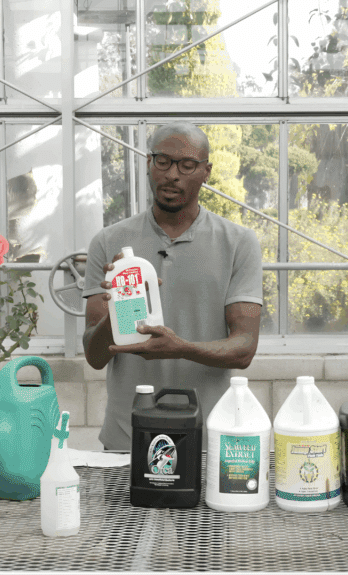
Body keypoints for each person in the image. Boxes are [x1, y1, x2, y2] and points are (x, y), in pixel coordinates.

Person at [82, 122, 263, 451]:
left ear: (206, 172)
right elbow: (94, 357)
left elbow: (244, 348)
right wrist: (118, 311)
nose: (172, 174)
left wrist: (182, 348)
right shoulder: (109, 242)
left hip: (207, 438)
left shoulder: (239, 243)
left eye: (187, 165)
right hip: (128, 438)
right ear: (148, 163)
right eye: (163, 161)